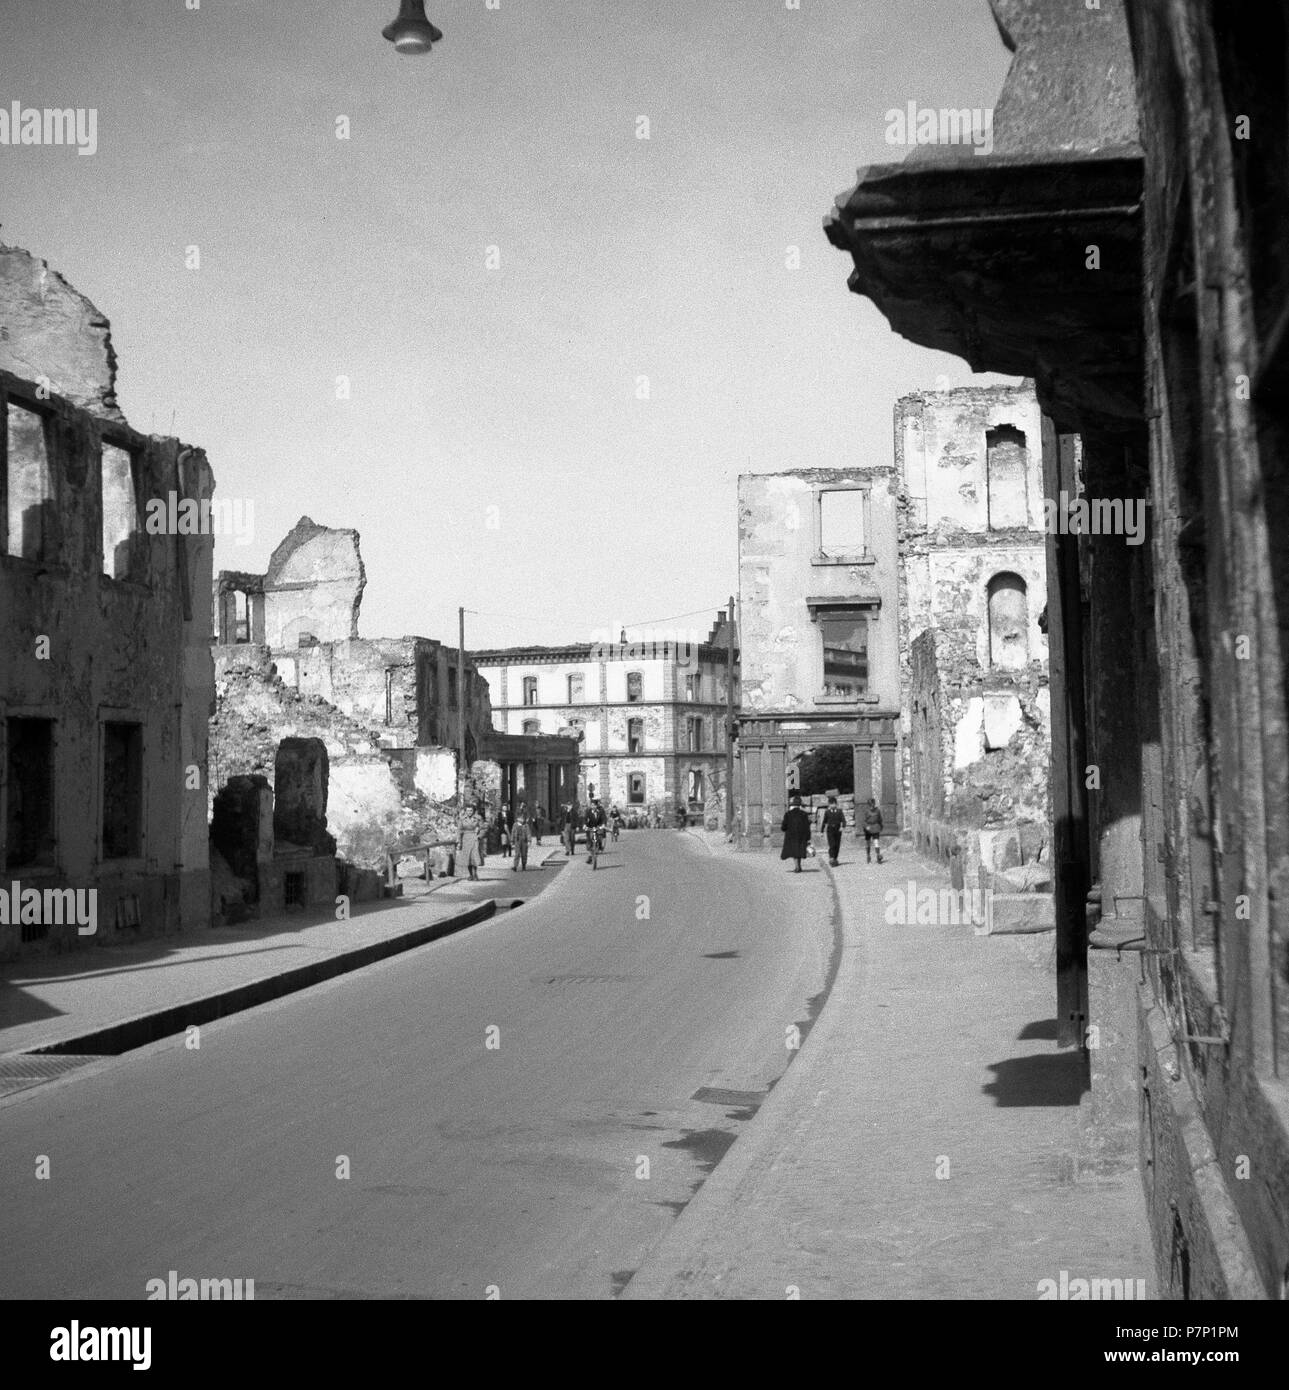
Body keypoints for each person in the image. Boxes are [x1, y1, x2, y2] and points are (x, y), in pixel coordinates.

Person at [780, 794, 812, 873]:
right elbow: (807, 826)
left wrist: (784, 829)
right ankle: (798, 866)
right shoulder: (804, 814)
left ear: (793, 804)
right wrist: (808, 836)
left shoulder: (788, 814)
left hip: (791, 835)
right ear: (800, 805)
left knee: (794, 851)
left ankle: (797, 866)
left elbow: (784, 826)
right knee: (799, 850)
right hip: (801, 835)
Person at [821, 794, 846, 867]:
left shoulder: (839, 811)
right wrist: (822, 831)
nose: (832, 805)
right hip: (830, 830)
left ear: (836, 804)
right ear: (829, 804)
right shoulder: (827, 812)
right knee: (832, 844)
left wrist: (843, 827)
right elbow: (824, 821)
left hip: (838, 830)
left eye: (834, 804)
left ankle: (835, 858)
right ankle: (831, 858)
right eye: (831, 804)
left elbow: (843, 820)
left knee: (837, 845)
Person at [458, 808, 482, 882]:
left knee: (474, 856)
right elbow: (459, 830)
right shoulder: (462, 819)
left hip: (474, 838)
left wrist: (479, 833)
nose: (469, 812)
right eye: (468, 810)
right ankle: (470, 875)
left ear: (473, 811)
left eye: (471, 810)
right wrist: (459, 841)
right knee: (467, 857)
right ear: (465, 811)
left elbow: (483, 827)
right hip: (466, 839)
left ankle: (475, 874)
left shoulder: (477, 819)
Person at [863, 798, 884, 863]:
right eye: (870, 805)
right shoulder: (866, 811)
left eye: (872, 805)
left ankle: (878, 855)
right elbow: (864, 821)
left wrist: (881, 826)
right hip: (868, 828)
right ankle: (868, 855)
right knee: (868, 843)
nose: (871, 806)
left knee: (876, 842)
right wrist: (866, 826)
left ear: (874, 804)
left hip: (875, 827)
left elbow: (880, 819)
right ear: (868, 805)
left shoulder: (877, 810)